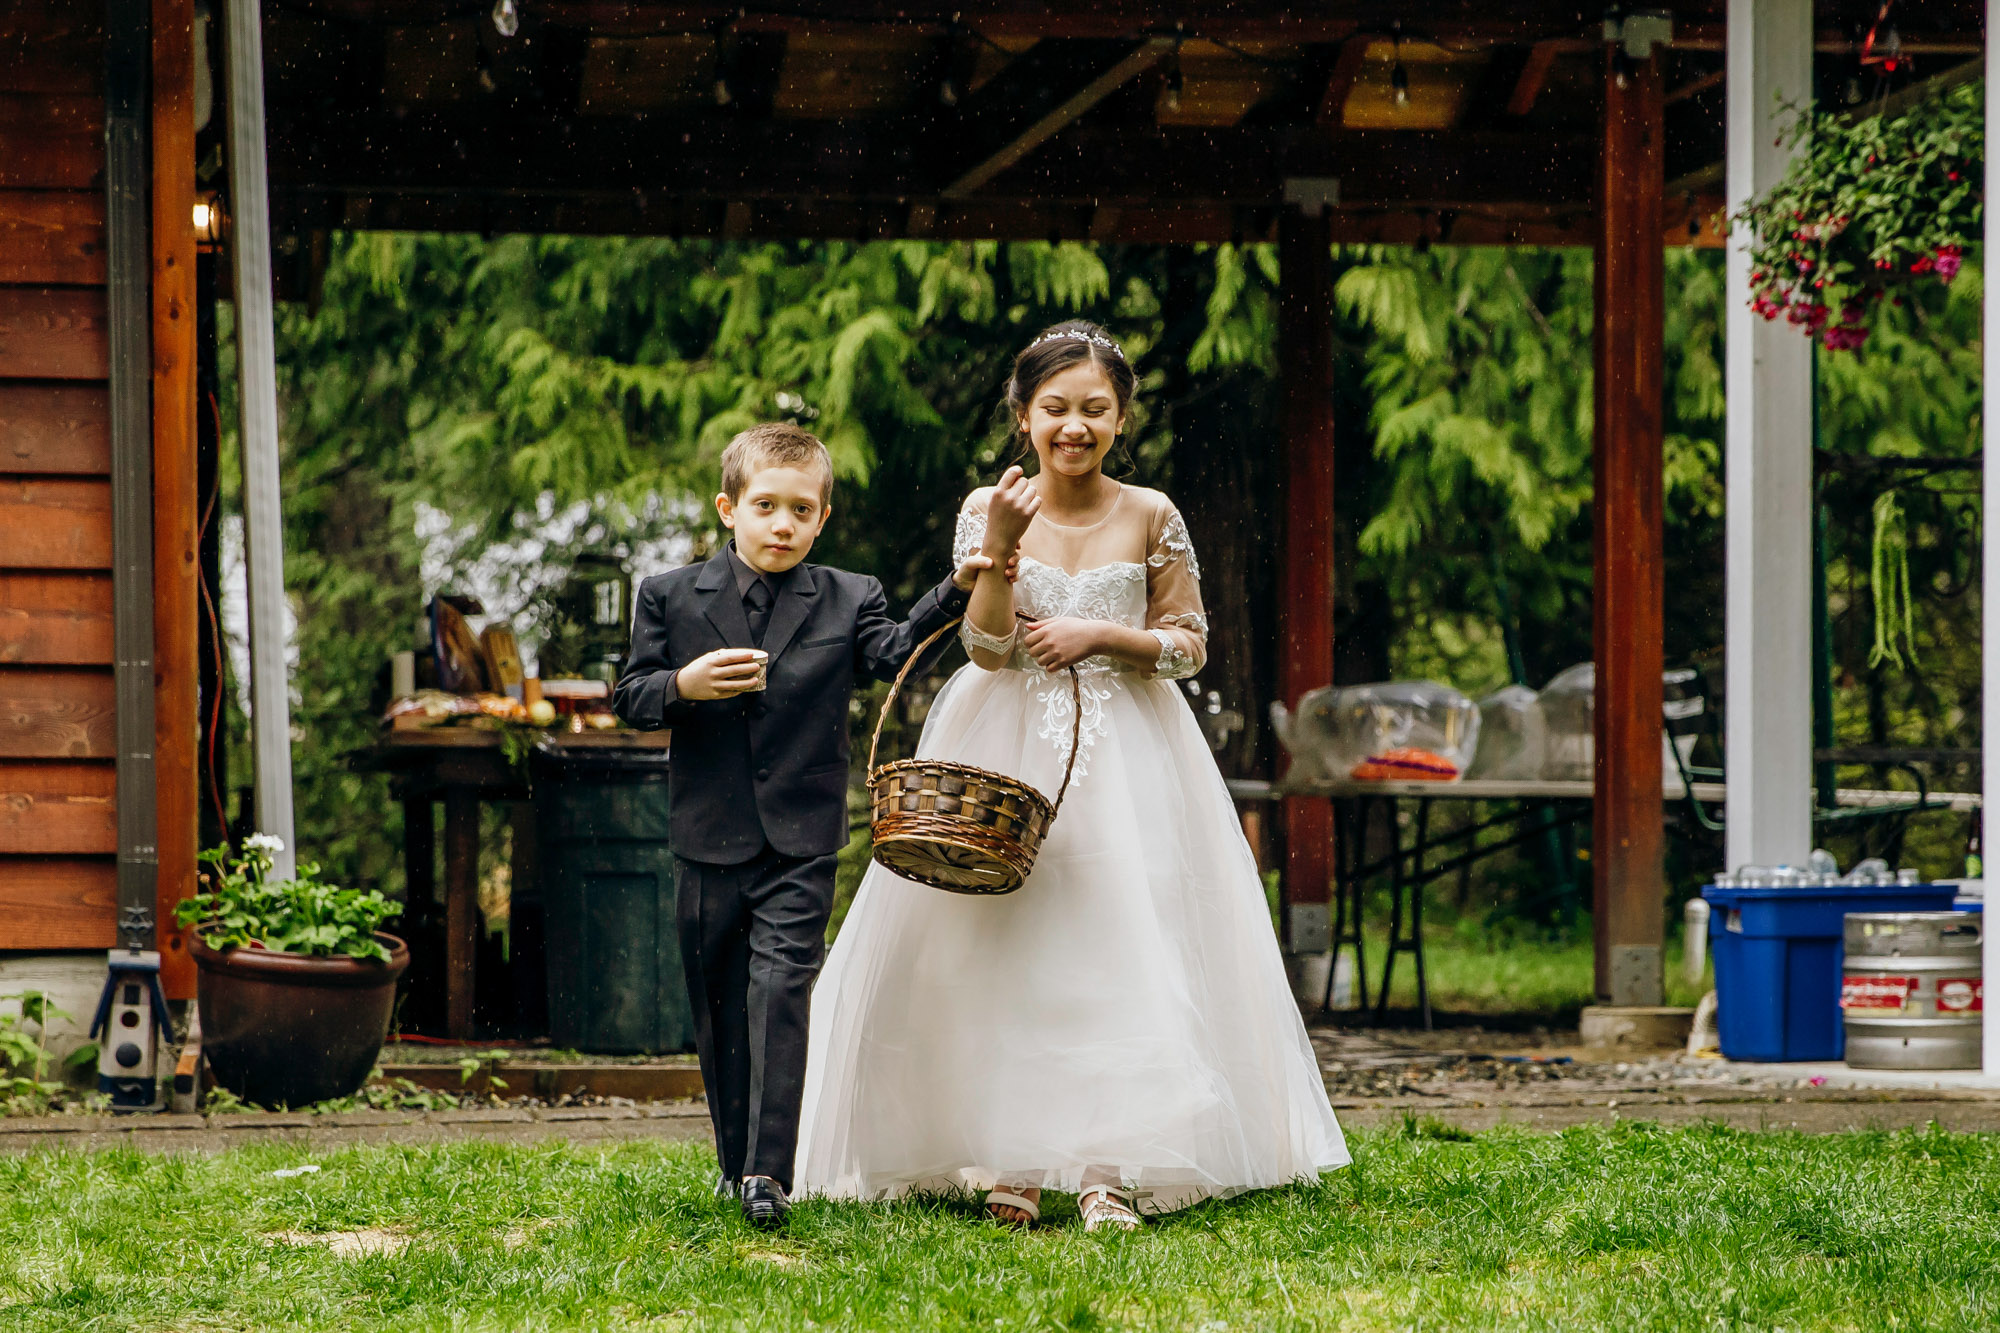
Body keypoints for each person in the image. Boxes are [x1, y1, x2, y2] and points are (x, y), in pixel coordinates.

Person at [795, 321, 1349, 1232]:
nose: (1074, 426)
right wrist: (1003, 550)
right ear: (1023, 417)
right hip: (1004, 740)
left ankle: (1107, 1166)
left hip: (1130, 750)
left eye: (1095, 409)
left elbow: (1189, 644)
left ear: (1121, 418)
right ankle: (1012, 1155)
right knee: (1007, 943)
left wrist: (1106, 636)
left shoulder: (1151, 514)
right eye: (1055, 408)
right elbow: (983, 645)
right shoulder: (991, 504)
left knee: (1117, 944)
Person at [612, 422, 1003, 1231]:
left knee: (781, 991)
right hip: (707, 834)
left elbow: (894, 654)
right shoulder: (669, 595)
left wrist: (955, 587)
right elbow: (630, 695)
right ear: (729, 508)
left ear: (822, 518)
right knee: (719, 999)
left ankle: (768, 1173)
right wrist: (683, 683)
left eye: (801, 508)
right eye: (765, 506)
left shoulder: (849, 595)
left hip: (802, 836)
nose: (782, 523)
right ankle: (731, 1160)